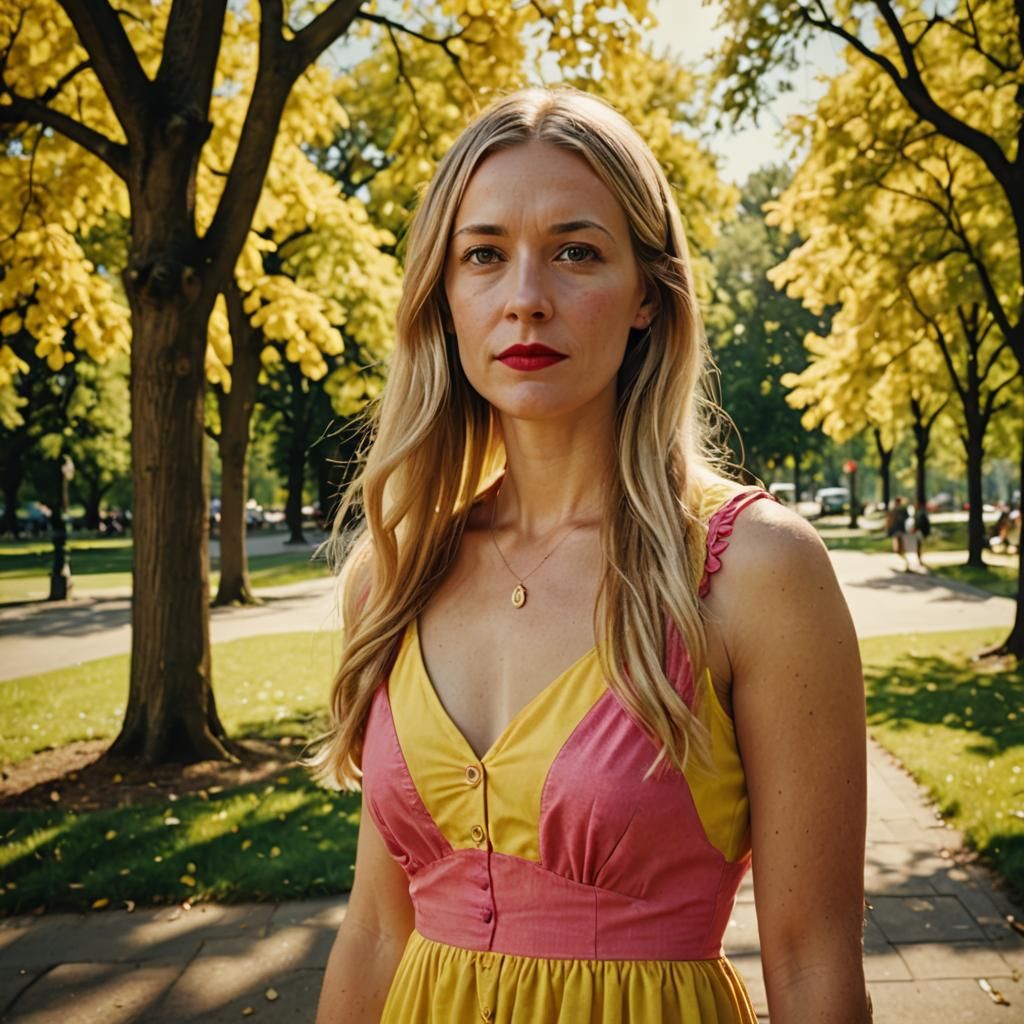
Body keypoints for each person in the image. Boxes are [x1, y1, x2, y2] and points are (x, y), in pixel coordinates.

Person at [307, 88, 870, 1023]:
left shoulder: (753, 570)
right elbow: (373, 930)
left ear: (648, 293)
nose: (526, 298)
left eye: (576, 252)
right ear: (444, 296)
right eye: (484, 255)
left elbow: (811, 961)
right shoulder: (395, 573)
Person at [886, 496, 910, 571]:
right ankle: (904, 560)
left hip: (897, 530)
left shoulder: (894, 510)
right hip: (901, 529)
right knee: (900, 545)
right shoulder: (902, 510)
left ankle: (903, 560)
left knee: (898, 546)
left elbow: (889, 520)